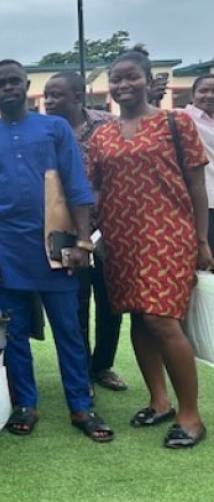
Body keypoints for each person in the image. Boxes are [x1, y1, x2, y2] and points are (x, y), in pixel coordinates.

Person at [0, 59, 113, 443]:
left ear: (26, 85)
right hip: (6, 248)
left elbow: (77, 187)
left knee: (69, 330)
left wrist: (82, 243)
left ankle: (80, 405)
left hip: (57, 243)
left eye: (14, 81)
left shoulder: (54, 128)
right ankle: (26, 404)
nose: (8, 88)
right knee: (14, 333)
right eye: (0, 83)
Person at [89, 50, 211, 448]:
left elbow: (197, 186)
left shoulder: (176, 123)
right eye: (116, 79)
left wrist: (202, 240)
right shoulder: (102, 134)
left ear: (148, 80)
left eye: (131, 77)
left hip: (169, 233)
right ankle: (159, 401)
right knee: (138, 319)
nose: (123, 85)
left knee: (161, 319)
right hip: (120, 238)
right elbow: (95, 188)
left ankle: (190, 415)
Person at [43, 72, 126, 392]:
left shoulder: (108, 125)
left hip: (108, 225)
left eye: (56, 95)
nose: (49, 101)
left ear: (78, 96)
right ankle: (80, 372)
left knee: (110, 301)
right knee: (74, 302)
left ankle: (102, 366)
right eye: (47, 95)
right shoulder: (44, 131)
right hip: (64, 226)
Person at [183, 74, 214, 254]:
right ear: (193, 95)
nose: (209, 95)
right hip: (203, 202)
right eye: (203, 91)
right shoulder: (182, 118)